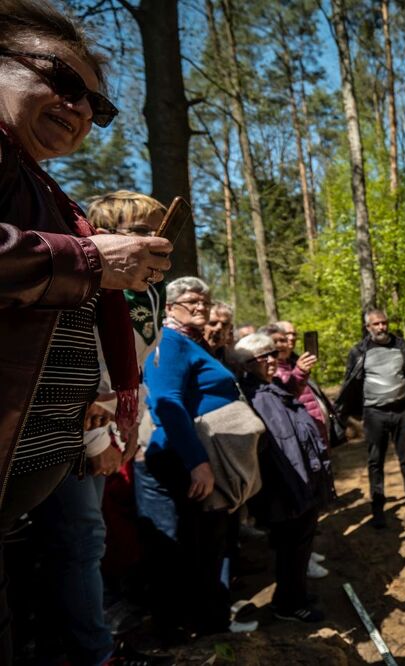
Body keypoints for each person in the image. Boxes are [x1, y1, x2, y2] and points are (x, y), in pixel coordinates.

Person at [0, 2, 171, 661]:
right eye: (62, 83)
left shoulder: (45, 191)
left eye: (95, 107)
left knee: (75, 552)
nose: (78, 111)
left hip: (58, 450)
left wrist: (101, 411)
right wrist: (94, 259)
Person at [28, 191, 172, 666]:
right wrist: (97, 438)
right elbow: (79, 368)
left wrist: (133, 426)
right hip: (70, 429)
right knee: (80, 538)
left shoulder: (150, 289)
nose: (155, 241)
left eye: (160, 230)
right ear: (105, 237)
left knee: (89, 539)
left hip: (115, 426)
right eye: (142, 232)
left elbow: (135, 367)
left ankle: (85, 641)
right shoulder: (87, 283)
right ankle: (93, 654)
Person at [143, 277, 256, 637]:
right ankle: (200, 626)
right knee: (196, 544)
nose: (200, 306)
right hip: (181, 458)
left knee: (209, 540)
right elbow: (166, 402)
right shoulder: (169, 342)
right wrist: (197, 462)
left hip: (196, 455)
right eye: (191, 300)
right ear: (170, 306)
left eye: (204, 301)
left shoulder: (189, 342)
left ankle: (211, 619)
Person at [234, 333, 329, 622]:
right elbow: (277, 447)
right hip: (285, 487)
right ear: (249, 364)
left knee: (298, 545)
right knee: (291, 546)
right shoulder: (257, 396)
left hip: (296, 483)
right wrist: (298, 488)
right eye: (266, 357)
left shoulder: (270, 387)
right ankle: (289, 604)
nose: (274, 359)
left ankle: (294, 593)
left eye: (274, 354)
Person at [338, 309, 405, 528]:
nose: (381, 327)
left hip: (401, 411)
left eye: (384, 323)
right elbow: (350, 382)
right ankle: (378, 506)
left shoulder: (402, 346)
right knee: (375, 461)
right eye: (376, 324)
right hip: (374, 414)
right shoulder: (359, 351)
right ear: (367, 328)